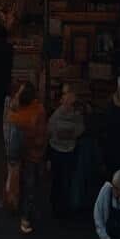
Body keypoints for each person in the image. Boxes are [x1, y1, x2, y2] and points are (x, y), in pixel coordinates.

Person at [8, 81, 47, 234]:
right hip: (34, 155)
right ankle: (27, 214)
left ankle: (24, 214)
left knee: (25, 185)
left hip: (26, 156)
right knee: (31, 185)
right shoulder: (39, 110)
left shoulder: (18, 117)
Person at [47, 87, 85, 218]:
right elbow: (80, 130)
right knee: (67, 179)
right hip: (70, 151)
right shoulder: (77, 116)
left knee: (57, 179)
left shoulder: (56, 115)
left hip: (57, 150)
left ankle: (55, 205)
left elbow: (50, 130)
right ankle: (65, 205)